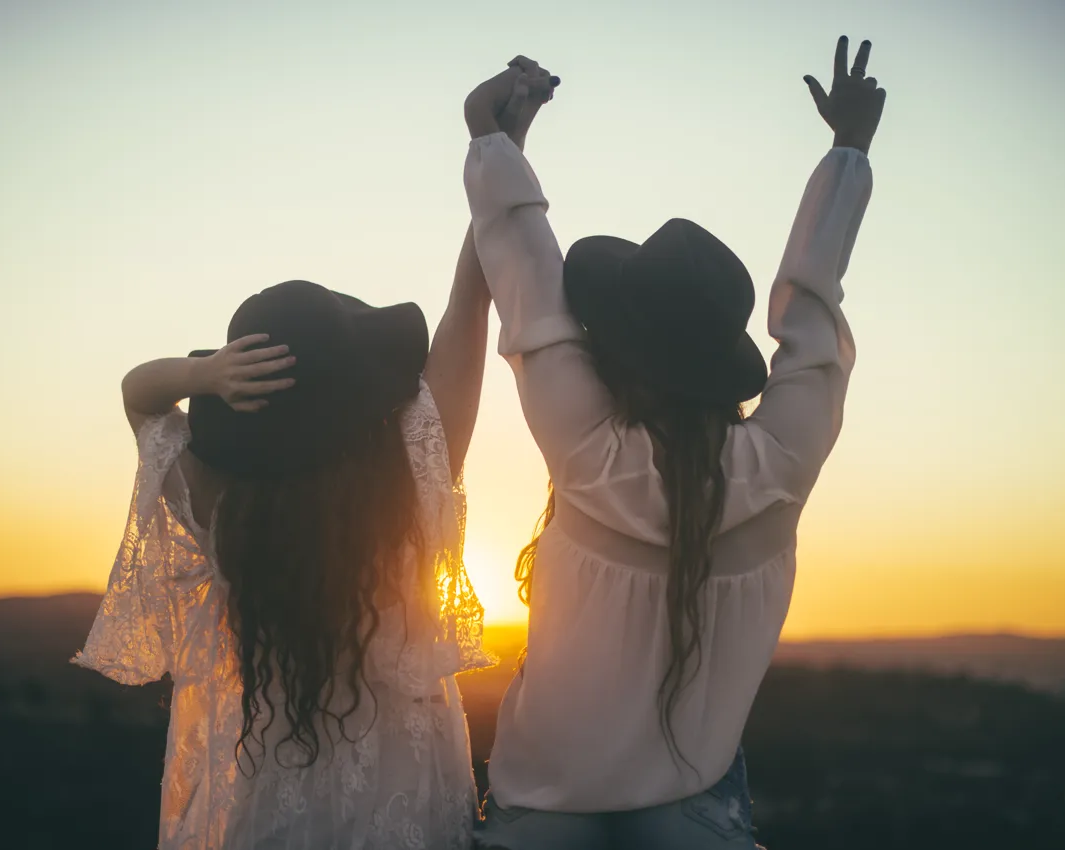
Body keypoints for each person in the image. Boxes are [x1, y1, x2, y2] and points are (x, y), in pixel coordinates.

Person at [72, 67, 554, 850]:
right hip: (407, 799)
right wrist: (496, 146)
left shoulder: (220, 501)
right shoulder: (414, 474)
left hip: (266, 802)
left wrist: (203, 374)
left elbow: (139, 397)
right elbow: (472, 302)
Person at [464, 39, 886, 850]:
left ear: (614, 349)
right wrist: (848, 155)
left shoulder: (587, 452)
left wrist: (494, 138)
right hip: (694, 815)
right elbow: (812, 312)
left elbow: (531, 294)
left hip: (540, 815)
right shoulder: (781, 467)